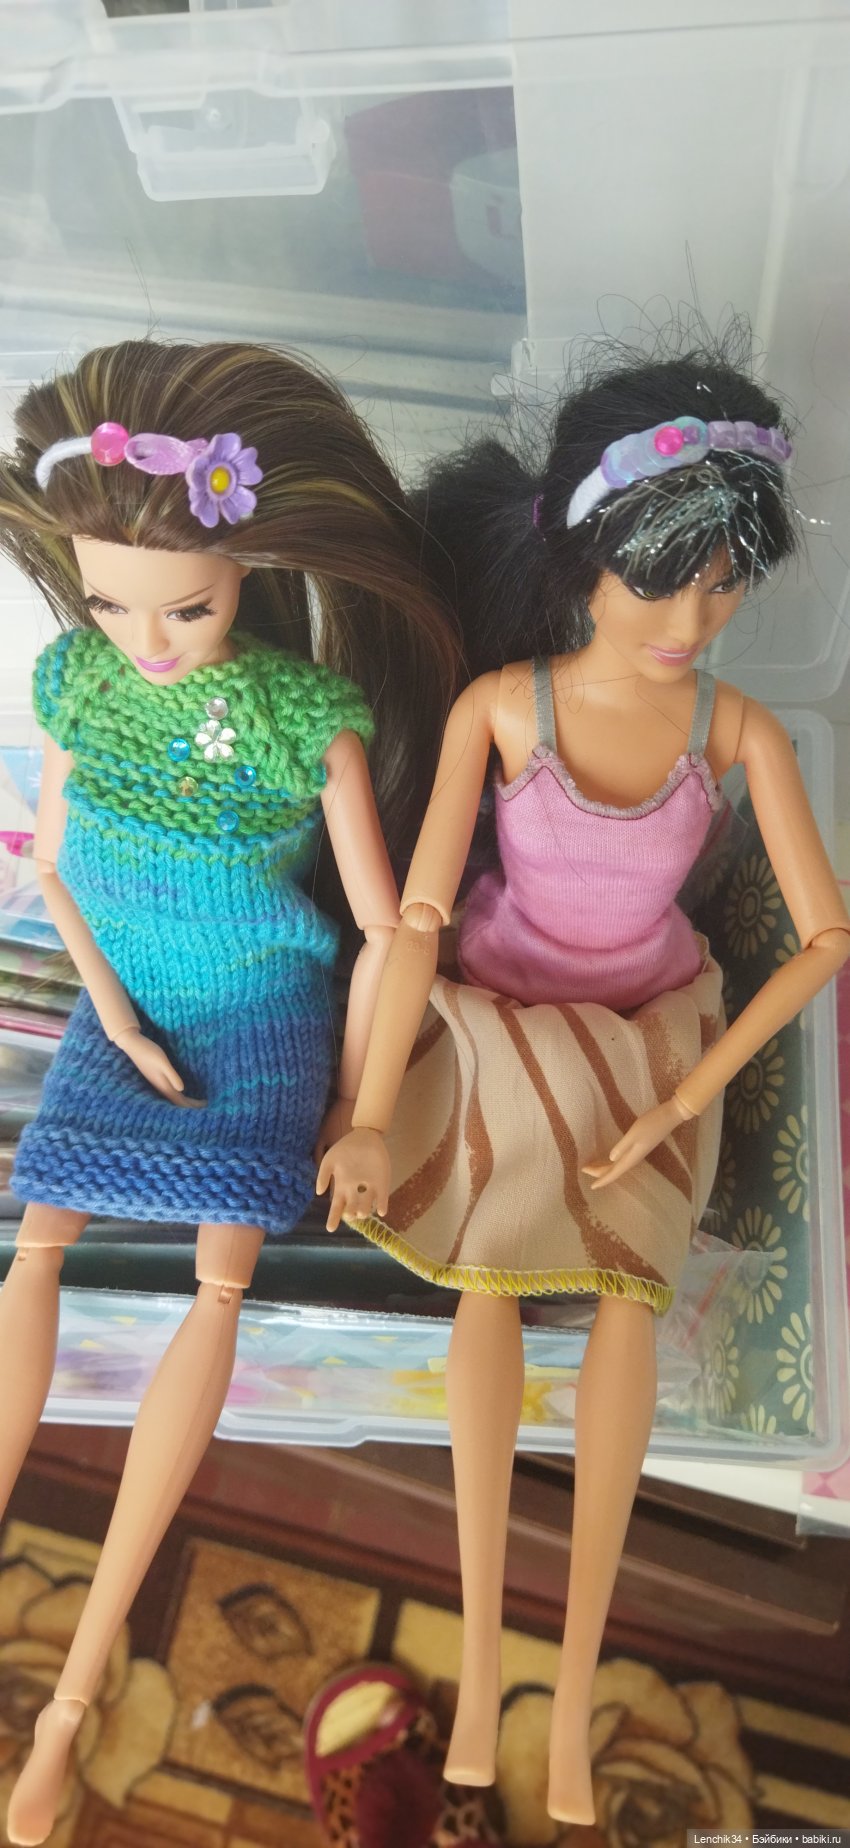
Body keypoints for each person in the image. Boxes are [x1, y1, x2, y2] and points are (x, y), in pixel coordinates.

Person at [318, 344, 850, 1825]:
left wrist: (686, 1098)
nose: (690, 623)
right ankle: (485, 1655)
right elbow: (416, 918)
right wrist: (373, 1111)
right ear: (581, 556)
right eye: (658, 583)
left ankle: (573, 1692)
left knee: (626, 1290)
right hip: (499, 1011)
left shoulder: (731, 730)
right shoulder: (504, 709)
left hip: (645, 1029)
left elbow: (824, 939)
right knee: (489, 1275)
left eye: (723, 588)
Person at [0, 337, 459, 1845]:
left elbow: (389, 930)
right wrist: (108, 1010)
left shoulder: (296, 716)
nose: (145, 638)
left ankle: (74, 1700)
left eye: (184, 606)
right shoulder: (76, 680)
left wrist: (366, 1106)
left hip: (264, 1011)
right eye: (113, 601)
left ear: (246, 570)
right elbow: (50, 865)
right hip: (125, 1008)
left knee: (220, 1281)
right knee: (35, 1250)